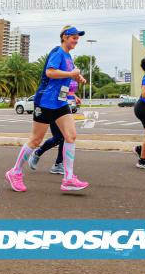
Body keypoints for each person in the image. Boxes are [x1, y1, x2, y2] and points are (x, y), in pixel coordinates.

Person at [6, 25, 89, 192]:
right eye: (74, 37)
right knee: (36, 140)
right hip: (46, 101)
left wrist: (78, 77)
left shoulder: (68, 56)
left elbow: (68, 74)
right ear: (65, 36)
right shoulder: (57, 52)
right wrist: (71, 74)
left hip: (61, 101)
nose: (76, 40)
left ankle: (68, 178)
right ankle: (15, 172)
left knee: (71, 136)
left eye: (78, 37)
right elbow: (50, 72)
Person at [28, 77, 81, 174]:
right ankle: (38, 153)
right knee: (58, 138)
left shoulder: (68, 73)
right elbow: (60, 93)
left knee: (64, 137)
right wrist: (69, 96)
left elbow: (66, 91)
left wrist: (74, 96)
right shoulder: (58, 72)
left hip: (63, 108)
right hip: (53, 107)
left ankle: (58, 164)